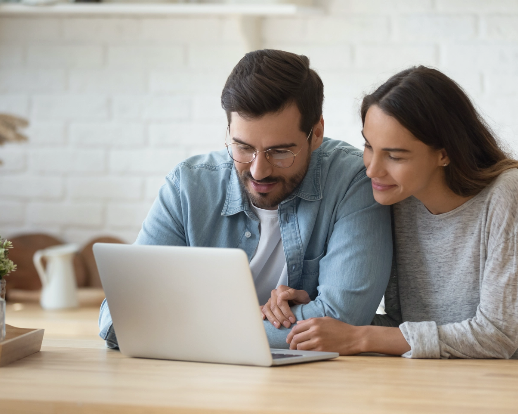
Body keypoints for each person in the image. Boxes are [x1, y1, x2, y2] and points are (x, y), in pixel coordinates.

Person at [98, 49, 393, 349]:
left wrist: (187, 326)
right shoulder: (187, 187)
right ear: (228, 131)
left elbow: (343, 319)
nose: (259, 170)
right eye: (242, 147)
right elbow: (118, 317)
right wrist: (253, 321)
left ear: (316, 133)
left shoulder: (353, 181)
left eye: (279, 152)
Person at [283, 66, 518, 359]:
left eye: (395, 156)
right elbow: (405, 330)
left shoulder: (507, 194)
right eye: (369, 146)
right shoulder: (400, 200)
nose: (371, 169)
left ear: (444, 153)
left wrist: (360, 337)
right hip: (428, 383)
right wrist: (318, 313)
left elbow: (498, 336)